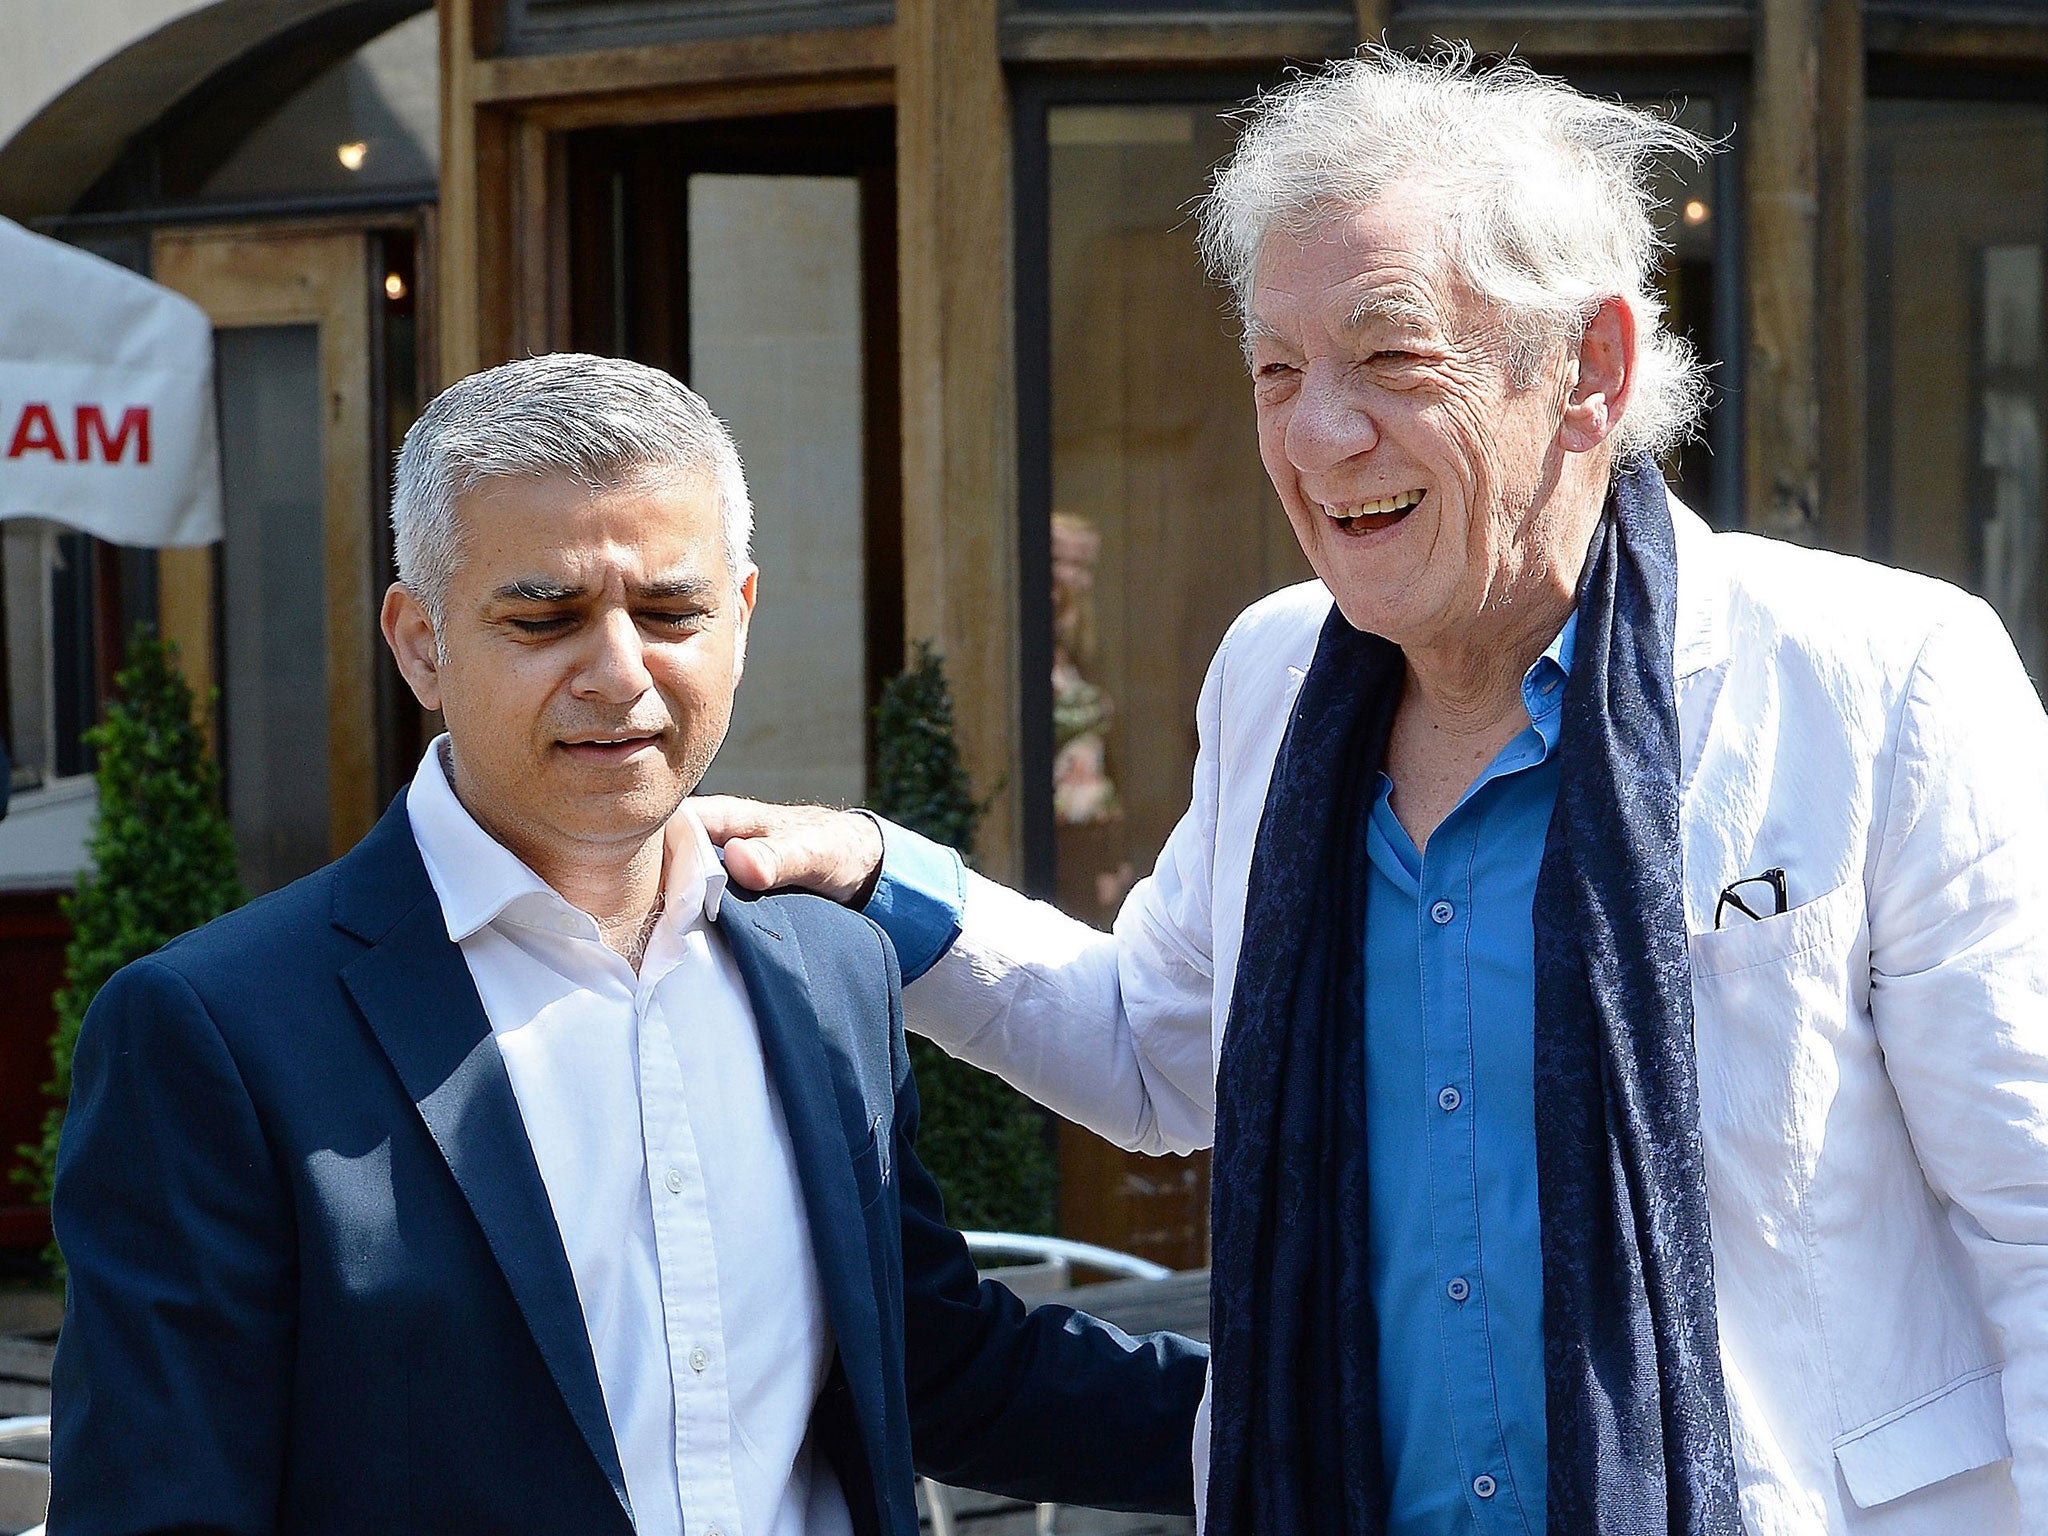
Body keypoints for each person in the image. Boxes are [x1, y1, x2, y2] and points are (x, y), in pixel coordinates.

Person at [698, 47, 2048, 1536]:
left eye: (1390, 358)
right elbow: (1157, 1054)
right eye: (1277, 372)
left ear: (1589, 368)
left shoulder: (1885, 679)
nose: (1315, 435)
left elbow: (2033, 1226)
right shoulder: (1274, 678)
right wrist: (877, 877)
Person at [48, 354, 1206, 1536]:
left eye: (668, 613)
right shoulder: (215, 1031)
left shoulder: (828, 968)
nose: (618, 674)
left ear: (740, 619)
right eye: (544, 617)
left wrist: (1323, 1418)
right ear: (420, 644)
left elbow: (938, 1366)